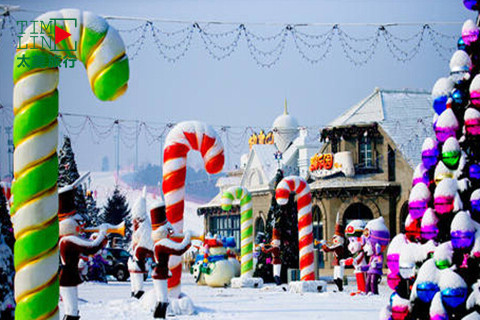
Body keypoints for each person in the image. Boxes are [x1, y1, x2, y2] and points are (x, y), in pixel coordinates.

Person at [59, 185, 108, 320]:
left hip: (70, 275)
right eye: (79, 222)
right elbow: (91, 247)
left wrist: (100, 239)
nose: (82, 226)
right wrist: (102, 233)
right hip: (68, 276)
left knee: (73, 310)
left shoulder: (68, 238)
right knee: (71, 311)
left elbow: (89, 249)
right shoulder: (69, 239)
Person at [151, 199, 192, 319]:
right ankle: (159, 317)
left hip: (159, 272)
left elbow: (170, 230)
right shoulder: (163, 243)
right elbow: (179, 249)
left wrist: (169, 228)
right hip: (161, 273)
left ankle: (158, 317)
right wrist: (188, 238)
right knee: (163, 300)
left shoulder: (159, 242)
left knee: (161, 299)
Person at [128, 187, 153, 299]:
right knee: (134, 273)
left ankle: (138, 292)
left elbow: (145, 245)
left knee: (137, 274)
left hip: (140, 260)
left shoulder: (145, 228)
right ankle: (134, 291)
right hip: (136, 259)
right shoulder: (138, 228)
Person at [321, 214, 345, 292]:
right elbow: (329, 248)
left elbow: (329, 249)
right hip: (336, 262)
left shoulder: (339, 246)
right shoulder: (337, 245)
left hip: (340, 262)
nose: (333, 240)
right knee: (335, 278)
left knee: (339, 278)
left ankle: (340, 289)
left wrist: (324, 244)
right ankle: (339, 288)